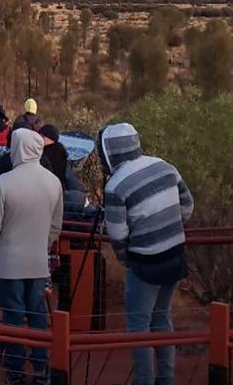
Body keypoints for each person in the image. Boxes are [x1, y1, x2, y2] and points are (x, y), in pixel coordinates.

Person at [99, 123, 194, 385]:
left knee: (138, 329)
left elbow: (118, 235)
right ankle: (166, 379)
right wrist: (169, 228)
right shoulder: (165, 166)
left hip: (145, 263)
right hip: (175, 254)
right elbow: (187, 205)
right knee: (162, 318)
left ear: (109, 152)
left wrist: (125, 258)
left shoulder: (116, 186)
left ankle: (144, 380)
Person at [0, 129, 63, 385]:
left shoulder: (3, 183)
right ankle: (41, 369)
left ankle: (15, 371)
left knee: (13, 316)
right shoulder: (53, 182)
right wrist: (43, 245)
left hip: (7, 264)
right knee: (38, 315)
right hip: (38, 262)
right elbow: (55, 227)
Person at [39, 124, 68, 190]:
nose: (40, 138)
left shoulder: (49, 153)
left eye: (42, 136)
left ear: (51, 139)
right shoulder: (60, 148)